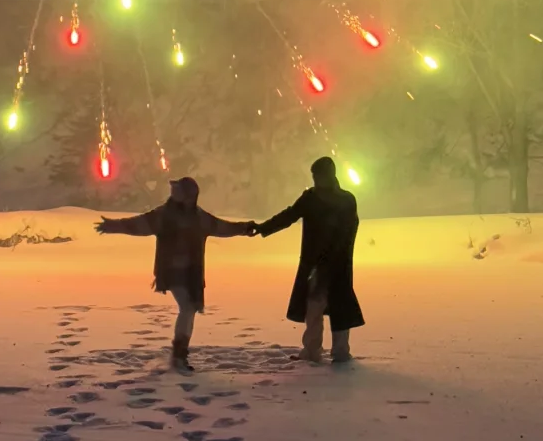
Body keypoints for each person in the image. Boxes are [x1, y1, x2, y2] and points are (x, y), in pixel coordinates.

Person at [95, 176, 255, 372]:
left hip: (192, 273)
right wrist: (113, 225)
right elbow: (140, 224)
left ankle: (180, 354)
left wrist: (244, 228)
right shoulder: (165, 215)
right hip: (171, 271)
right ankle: (178, 356)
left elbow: (221, 227)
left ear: (190, 196)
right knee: (188, 308)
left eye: (179, 191)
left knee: (190, 309)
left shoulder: (199, 217)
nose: (174, 194)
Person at [257, 156, 364, 364]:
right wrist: (263, 228)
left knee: (337, 307)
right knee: (314, 307)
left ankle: (339, 352)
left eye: (319, 175)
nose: (316, 179)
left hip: (336, 264)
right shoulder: (313, 198)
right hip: (318, 263)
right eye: (314, 176)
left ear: (329, 175)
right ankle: (313, 350)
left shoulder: (344, 200)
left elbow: (350, 230)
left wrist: (337, 253)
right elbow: (290, 215)